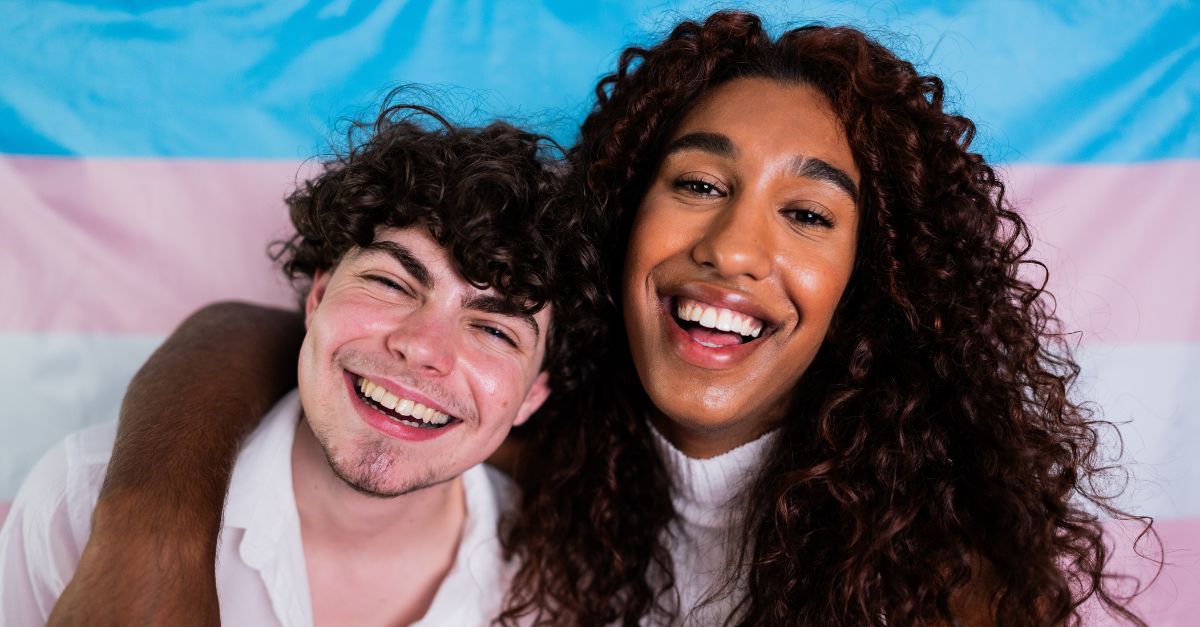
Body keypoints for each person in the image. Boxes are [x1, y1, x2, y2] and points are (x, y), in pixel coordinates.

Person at [43, 11, 1154, 627]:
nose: (733, 251)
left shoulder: (935, 570)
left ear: (874, 286)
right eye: (700, 185)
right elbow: (256, 338)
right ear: (621, 227)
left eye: (810, 213)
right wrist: (147, 526)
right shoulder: (533, 427)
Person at [0, 101, 605, 626]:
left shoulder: (566, 592)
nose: (422, 347)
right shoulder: (75, 503)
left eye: (494, 329)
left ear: (533, 394)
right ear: (316, 299)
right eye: (392, 284)